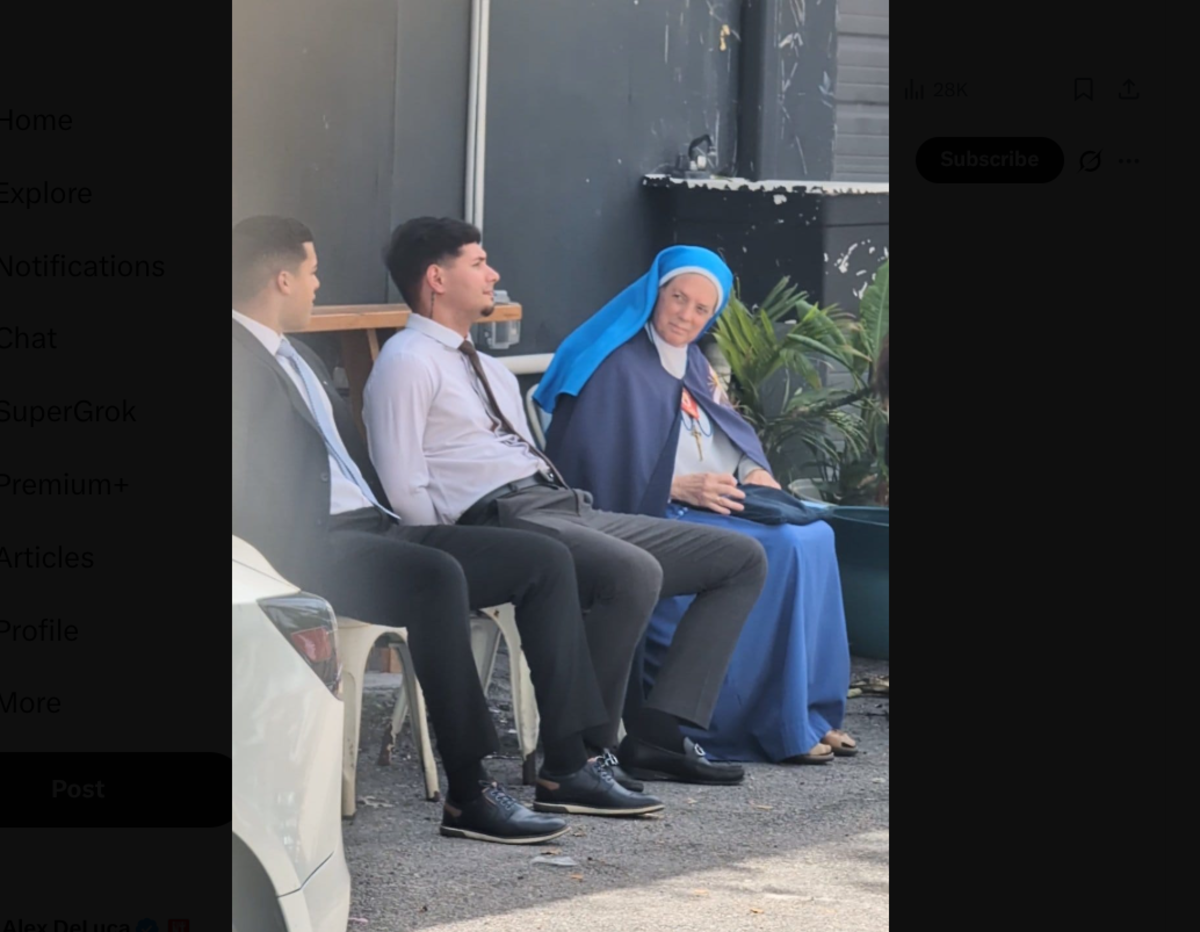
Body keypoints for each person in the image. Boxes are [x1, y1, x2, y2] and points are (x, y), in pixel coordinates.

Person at [232, 216, 663, 847]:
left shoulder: (293, 354)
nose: (319, 284)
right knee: (436, 576)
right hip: (308, 545)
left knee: (542, 560)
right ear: (281, 278)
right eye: (314, 271)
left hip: (372, 527)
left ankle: (567, 764)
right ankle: (469, 792)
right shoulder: (240, 364)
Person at [363, 217, 768, 788]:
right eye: (478, 263)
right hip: (503, 521)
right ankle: (580, 754)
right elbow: (403, 483)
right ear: (436, 277)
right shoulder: (406, 360)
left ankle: (655, 731)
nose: (493, 274)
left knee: (741, 559)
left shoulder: (489, 370)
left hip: (564, 506)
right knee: (632, 571)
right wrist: (452, 564)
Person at [535, 245, 857, 764]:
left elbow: (725, 429)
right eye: (677, 299)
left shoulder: (693, 360)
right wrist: (675, 487)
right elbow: (587, 471)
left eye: (701, 309)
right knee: (786, 547)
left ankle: (809, 713)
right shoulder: (616, 364)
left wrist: (753, 470)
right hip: (648, 514)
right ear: (654, 293)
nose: (685, 316)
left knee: (815, 536)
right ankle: (767, 725)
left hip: (715, 501)